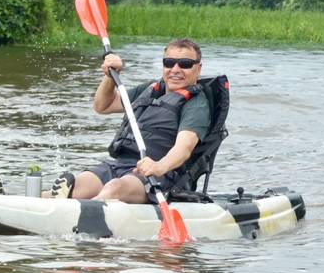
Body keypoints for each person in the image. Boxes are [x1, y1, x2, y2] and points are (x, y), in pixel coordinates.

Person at [42, 38, 211, 204]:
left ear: (198, 68)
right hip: (120, 165)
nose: (175, 69)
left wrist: (158, 166)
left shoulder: (196, 104)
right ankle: (46, 203)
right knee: (79, 184)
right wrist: (110, 77)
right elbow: (103, 106)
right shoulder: (151, 89)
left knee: (114, 189)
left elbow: (184, 148)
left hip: (162, 175)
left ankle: (85, 210)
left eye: (185, 64)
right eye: (169, 62)